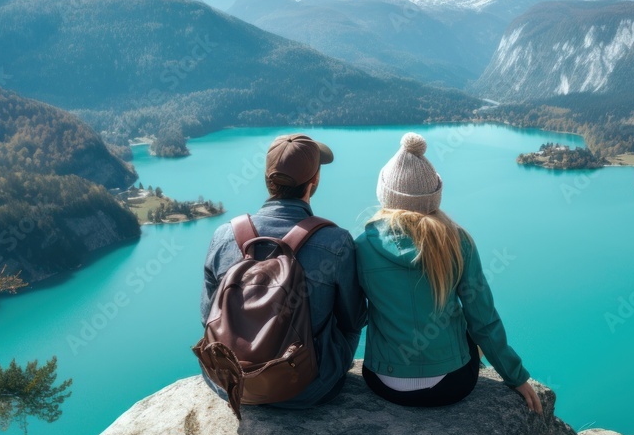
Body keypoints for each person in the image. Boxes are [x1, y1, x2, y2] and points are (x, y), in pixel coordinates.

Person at [354, 132, 542, 413]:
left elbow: (353, 316)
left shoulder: (361, 246)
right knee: (468, 334)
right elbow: (483, 321)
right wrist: (516, 376)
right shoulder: (458, 242)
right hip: (451, 385)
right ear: (434, 197)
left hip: (382, 381)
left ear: (385, 194)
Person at [201, 133, 367, 408]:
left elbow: (208, 315)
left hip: (232, 383)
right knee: (348, 323)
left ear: (268, 180)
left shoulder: (223, 235)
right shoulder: (336, 241)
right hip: (307, 388)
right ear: (314, 181)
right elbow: (353, 319)